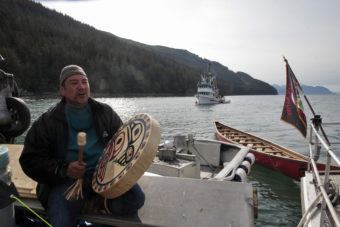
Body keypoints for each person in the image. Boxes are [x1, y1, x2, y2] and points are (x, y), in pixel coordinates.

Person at [19, 65, 145, 227]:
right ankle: (85, 203)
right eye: (74, 83)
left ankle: (96, 203)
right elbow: (30, 160)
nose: (81, 86)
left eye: (84, 81)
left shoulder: (105, 112)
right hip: (67, 182)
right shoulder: (47, 121)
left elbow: (124, 143)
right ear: (62, 90)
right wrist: (64, 169)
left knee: (136, 198)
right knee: (60, 221)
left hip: (104, 178)